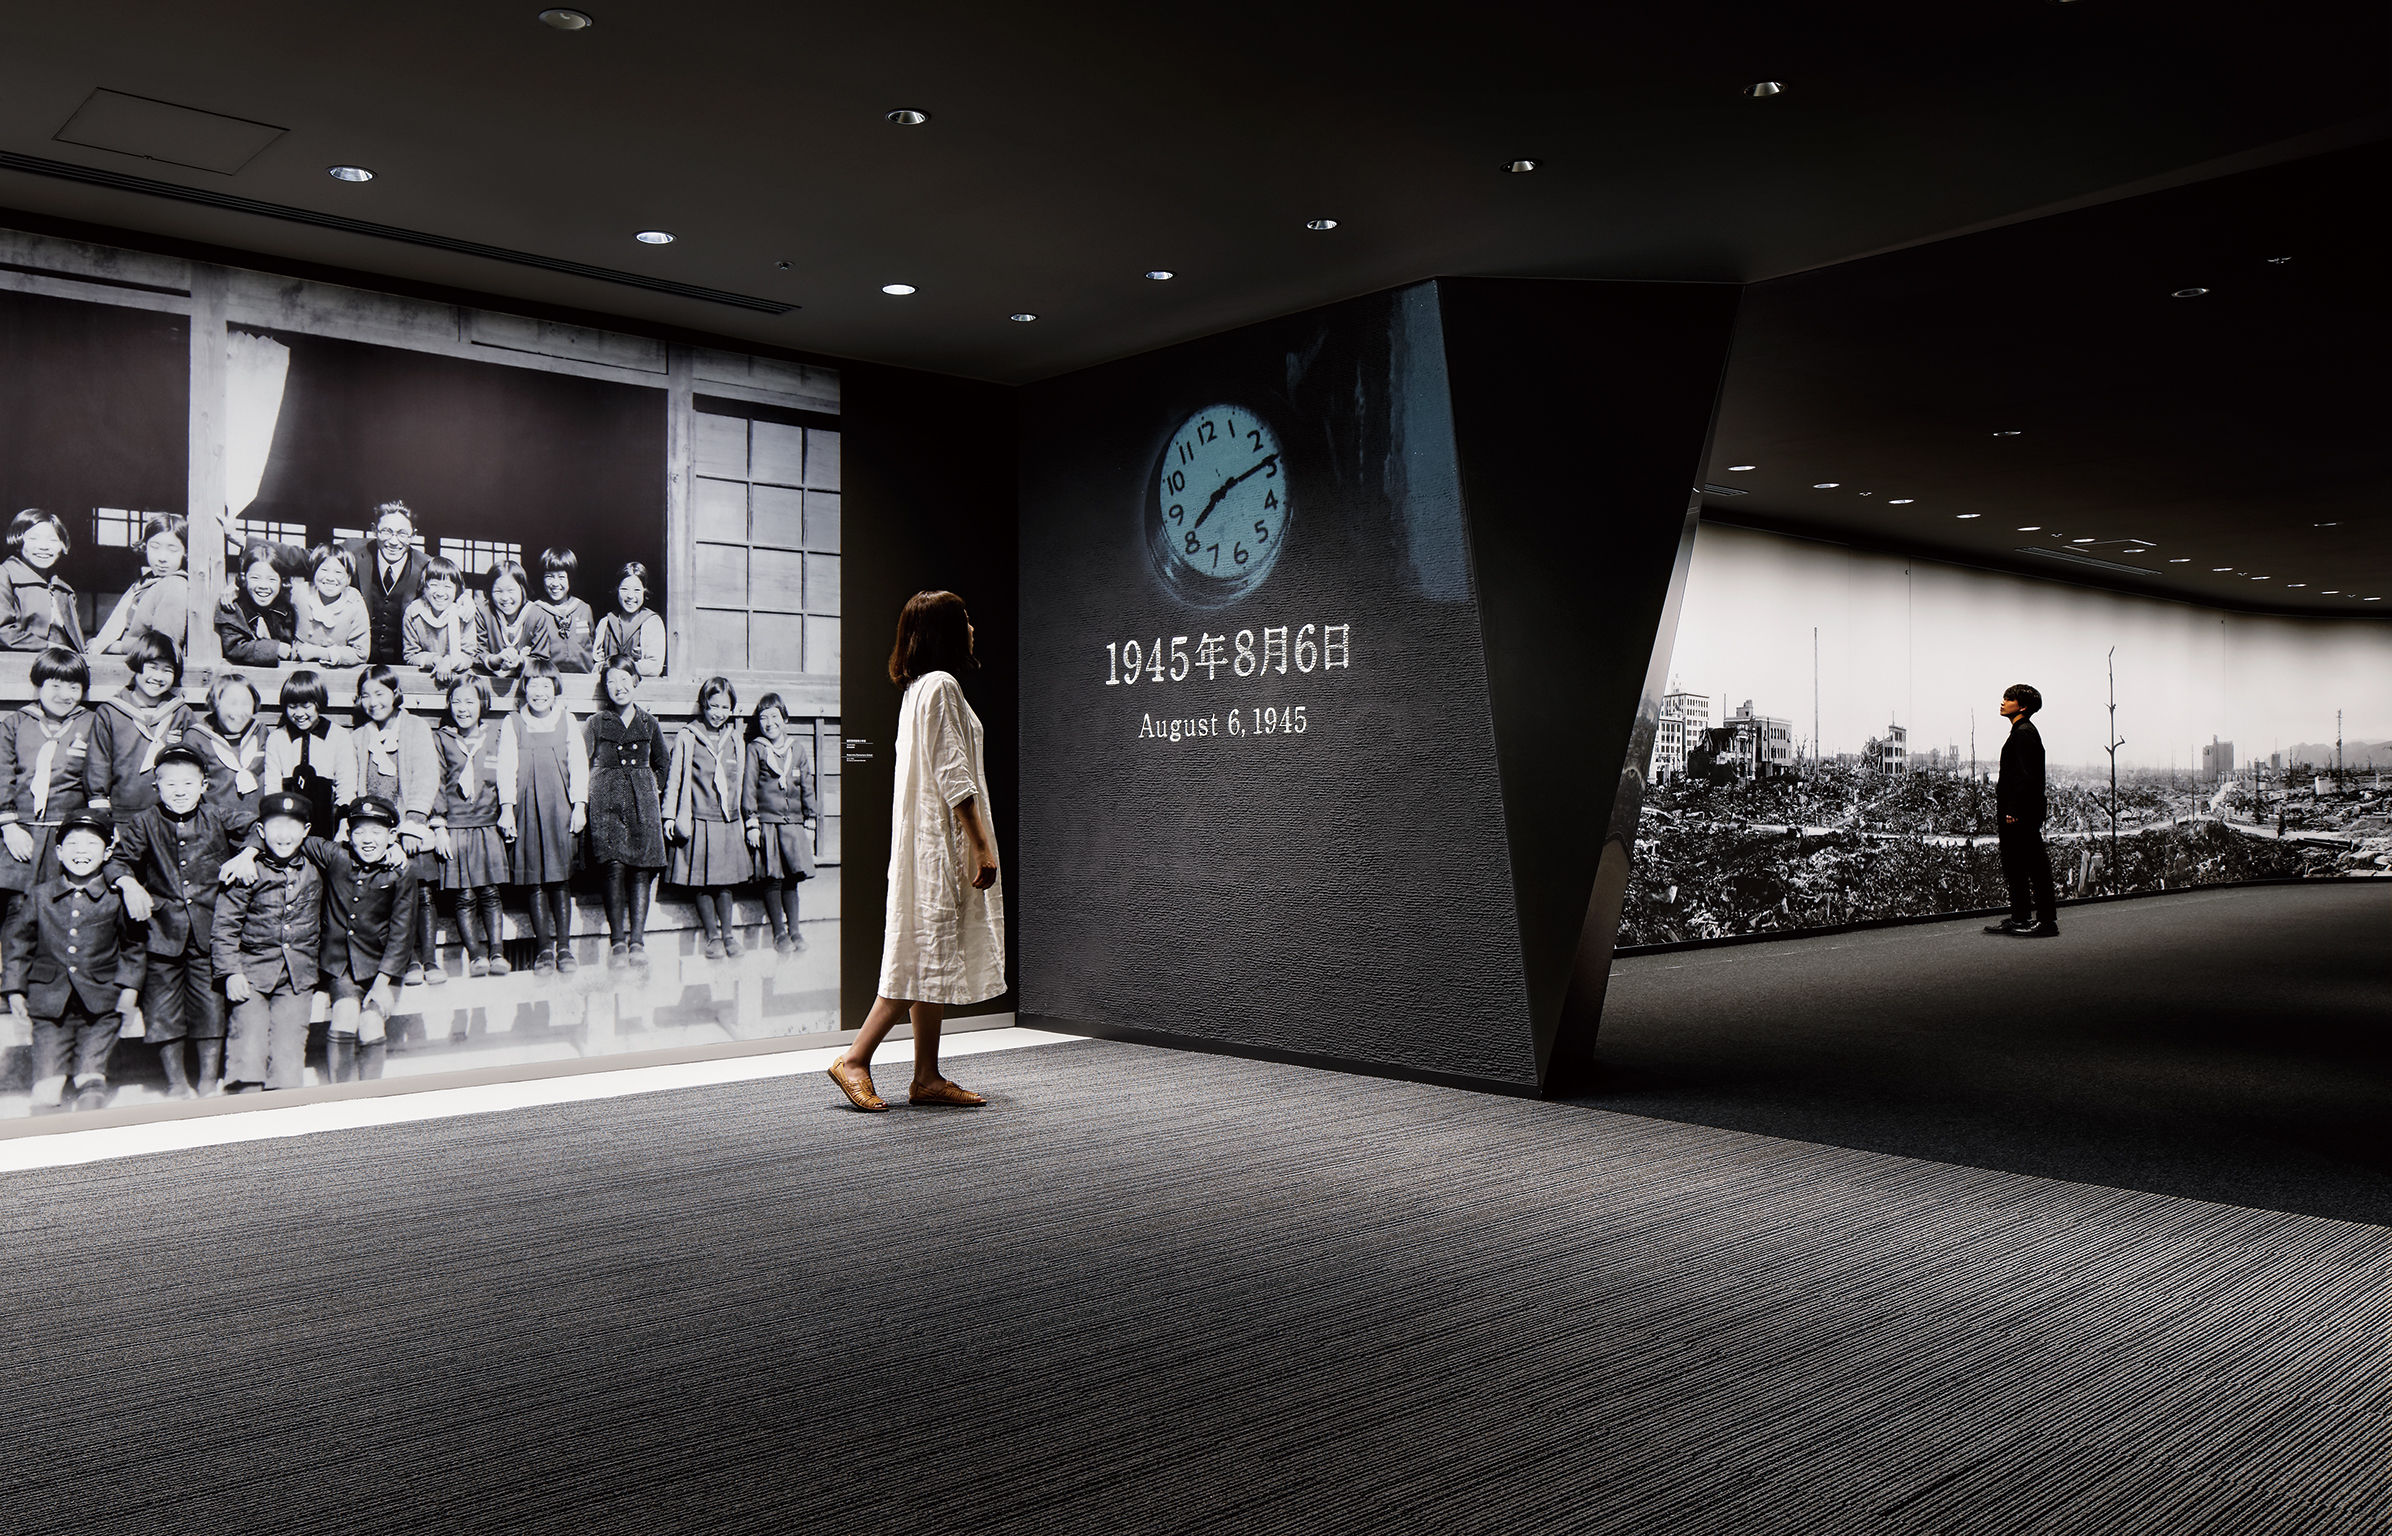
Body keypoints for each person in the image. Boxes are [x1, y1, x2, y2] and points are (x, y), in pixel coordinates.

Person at [827, 591, 1003, 1112]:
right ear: (944, 632)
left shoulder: (918, 689)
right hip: (941, 845)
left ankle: (926, 1074)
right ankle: (855, 1059)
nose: (972, 627)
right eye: (965, 619)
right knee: (919, 953)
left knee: (930, 953)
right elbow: (955, 775)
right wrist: (982, 847)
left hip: (924, 842)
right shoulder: (942, 686)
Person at [108, 745, 248, 1100]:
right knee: (162, 1006)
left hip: (208, 930)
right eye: (170, 785)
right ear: (157, 788)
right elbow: (117, 860)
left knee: (210, 1005)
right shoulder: (143, 822)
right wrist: (129, 884)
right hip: (162, 932)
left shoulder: (218, 816)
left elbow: (262, 829)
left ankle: (206, 1082)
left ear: (204, 785)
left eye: (189, 783)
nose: (180, 791)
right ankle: (176, 1083)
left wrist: (247, 854)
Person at [4, 808, 144, 1111]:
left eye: (92, 844)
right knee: (46, 1090)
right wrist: (14, 989)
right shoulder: (40, 896)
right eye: (73, 844)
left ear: (107, 853)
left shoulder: (114, 897)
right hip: (49, 1007)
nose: (81, 852)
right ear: (58, 851)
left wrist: (129, 989)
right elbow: (18, 944)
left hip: (102, 1005)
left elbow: (133, 946)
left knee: (90, 1080)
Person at [211, 792, 325, 1092]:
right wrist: (231, 971)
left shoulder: (317, 867)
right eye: (275, 826)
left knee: (288, 1053)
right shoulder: (247, 870)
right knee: (247, 1045)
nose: (284, 836)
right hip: (252, 975)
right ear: (261, 832)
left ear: (306, 831)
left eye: (292, 827)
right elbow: (225, 925)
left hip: (297, 978)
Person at [300, 795, 417, 1083]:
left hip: (383, 967)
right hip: (341, 967)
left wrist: (381, 983)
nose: (368, 840)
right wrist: (249, 852)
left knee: (372, 1022)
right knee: (344, 1014)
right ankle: (342, 1096)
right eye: (360, 831)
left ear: (391, 836)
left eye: (377, 832)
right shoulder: (336, 856)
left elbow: (402, 933)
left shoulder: (402, 871)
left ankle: (369, 1099)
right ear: (348, 835)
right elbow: (292, 837)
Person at [349, 664, 440, 985]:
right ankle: (408, 960)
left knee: (421, 890)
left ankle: (429, 958)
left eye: (380, 693)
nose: (373, 702)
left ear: (395, 693)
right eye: (365, 696)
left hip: (409, 825)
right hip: (377, 831)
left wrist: (414, 823)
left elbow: (428, 775)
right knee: (390, 897)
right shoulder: (360, 737)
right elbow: (354, 787)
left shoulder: (415, 728)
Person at [500, 657, 587, 974]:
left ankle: (564, 947)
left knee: (559, 877)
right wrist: (507, 808)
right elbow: (506, 768)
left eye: (545, 686)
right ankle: (544, 949)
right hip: (526, 807)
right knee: (535, 877)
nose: (539, 692)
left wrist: (579, 805)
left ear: (555, 689)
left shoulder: (567, 720)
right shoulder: (514, 723)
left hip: (559, 808)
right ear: (524, 689)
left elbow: (579, 765)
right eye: (533, 685)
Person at [584, 658, 668, 966]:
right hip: (607, 803)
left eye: (624, 680)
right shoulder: (597, 722)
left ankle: (638, 941)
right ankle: (618, 940)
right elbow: (582, 762)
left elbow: (662, 764)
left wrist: (648, 787)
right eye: (611, 682)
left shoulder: (649, 723)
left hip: (642, 804)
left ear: (635, 681)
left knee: (640, 869)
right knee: (613, 865)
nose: (618, 688)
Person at [0, 647, 100, 904]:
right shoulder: (15, 724)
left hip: (67, 834)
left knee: (62, 905)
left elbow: (99, 777)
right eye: (55, 686)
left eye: (74, 687)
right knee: (18, 909)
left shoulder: (92, 724)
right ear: (38, 686)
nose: (65, 695)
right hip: (21, 832)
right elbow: (2, 774)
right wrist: (9, 826)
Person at [664, 676, 752, 959]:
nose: (718, 713)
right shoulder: (688, 736)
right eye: (713, 706)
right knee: (701, 881)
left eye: (724, 707)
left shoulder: (736, 738)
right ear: (703, 705)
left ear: (732, 709)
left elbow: (742, 783)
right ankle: (712, 936)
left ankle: (728, 934)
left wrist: (744, 818)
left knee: (724, 881)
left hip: (725, 820)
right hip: (698, 819)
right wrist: (669, 816)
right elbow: (675, 779)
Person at [430, 677, 510, 979]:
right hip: (456, 827)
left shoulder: (495, 737)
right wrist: (439, 826)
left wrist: (507, 813)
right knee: (464, 895)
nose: (463, 708)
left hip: (487, 826)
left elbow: (505, 778)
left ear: (482, 705)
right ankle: (476, 954)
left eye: (470, 701)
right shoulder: (442, 739)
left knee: (490, 892)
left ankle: (497, 951)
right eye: (457, 701)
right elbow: (436, 783)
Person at [85, 628, 194, 819]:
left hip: (170, 816)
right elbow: (97, 764)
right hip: (122, 816)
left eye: (167, 670)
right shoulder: (111, 712)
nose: (158, 677)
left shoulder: (181, 713)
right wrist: (102, 814)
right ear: (137, 665)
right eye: (152, 667)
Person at [742, 691, 817, 954]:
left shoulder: (796, 749)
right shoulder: (756, 749)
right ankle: (779, 934)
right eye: (764, 718)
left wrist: (810, 820)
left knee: (791, 879)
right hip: (768, 824)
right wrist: (751, 821)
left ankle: (795, 930)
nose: (769, 723)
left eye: (774, 717)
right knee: (772, 878)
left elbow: (807, 786)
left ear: (784, 719)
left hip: (792, 824)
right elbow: (749, 787)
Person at [1987, 683, 2059, 939]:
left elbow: (2026, 778)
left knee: (2034, 866)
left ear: (2023, 706)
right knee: (2015, 865)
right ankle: (2020, 917)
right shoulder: (2020, 732)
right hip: (2015, 811)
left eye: (2009, 698)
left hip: (2020, 813)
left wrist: (2015, 810)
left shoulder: (2024, 733)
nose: (2003, 701)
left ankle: (2047, 922)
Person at [261, 670, 353, 841]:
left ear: (319, 703)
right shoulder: (277, 739)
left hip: (328, 826)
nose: (299, 713)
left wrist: (343, 827)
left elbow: (346, 788)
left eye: (306, 705)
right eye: (292, 706)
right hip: (288, 824)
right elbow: (272, 788)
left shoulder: (338, 736)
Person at [92, 514, 191, 656]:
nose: (162, 557)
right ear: (145, 546)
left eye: (172, 549)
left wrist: (115, 647)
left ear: (185, 552)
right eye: (155, 547)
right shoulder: (146, 581)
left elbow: (164, 645)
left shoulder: (175, 585)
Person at [349, 501, 429, 666]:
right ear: (373, 530)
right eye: (386, 531)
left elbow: (453, 594)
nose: (394, 541)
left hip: (404, 666)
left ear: (413, 535)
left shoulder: (426, 566)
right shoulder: (353, 553)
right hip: (357, 663)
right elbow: (311, 560)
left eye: (402, 534)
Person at [187, 675, 269, 828]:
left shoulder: (260, 731)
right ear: (215, 704)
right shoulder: (197, 736)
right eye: (232, 703)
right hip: (215, 827)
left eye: (246, 703)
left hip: (257, 826)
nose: (239, 711)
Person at [0, 508, 84, 653]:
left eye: (52, 540)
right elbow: (3, 632)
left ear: (63, 545)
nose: (44, 547)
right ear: (18, 541)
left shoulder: (64, 590)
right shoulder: (5, 575)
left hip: (63, 666)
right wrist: (50, 647)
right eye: (34, 539)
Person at [476, 558, 558, 700]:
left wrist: (520, 661)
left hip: (528, 692)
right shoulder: (483, 612)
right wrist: (496, 659)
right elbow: (477, 652)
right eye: (498, 591)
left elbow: (542, 658)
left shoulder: (536, 614)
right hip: (488, 692)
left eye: (511, 590)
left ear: (522, 588)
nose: (505, 597)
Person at [214, 542, 299, 667]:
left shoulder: (287, 608)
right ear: (244, 578)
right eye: (255, 578)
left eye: (272, 579)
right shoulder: (232, 607)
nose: (263, 586)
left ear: (281, 582)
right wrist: (276, 649)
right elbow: (233, 646)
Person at [289, 544, 371, 667]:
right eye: (324, 570)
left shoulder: (354, 602)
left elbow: (361, 653)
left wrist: (320, 652)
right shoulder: (300, 592)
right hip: (298, 666)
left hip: (337, 671)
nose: (330, 578)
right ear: (314, 571)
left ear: (348, 578)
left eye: (338, 572)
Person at [403, 556, 480, 684]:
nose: (440, 593)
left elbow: (469, 655)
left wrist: (450, 661)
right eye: (434, 585)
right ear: (424, 586)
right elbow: (410, 655)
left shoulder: (464, 613)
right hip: (423, 680)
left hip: (457, 679)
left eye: (447, 587)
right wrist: (436, 660)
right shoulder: (413, 612)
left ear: (456, 589)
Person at [593, 562, 665, 678]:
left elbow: (654, 667)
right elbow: (596, 664)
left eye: (636, 590)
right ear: (617, 590)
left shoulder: (652, 623)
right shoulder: (605, 622)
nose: (630, 596)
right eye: (624, 589)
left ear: (644, 591)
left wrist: (617, 669)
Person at [534, 548, 595, 672]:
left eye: (561, 577)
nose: (555, 583)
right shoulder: (536, 610)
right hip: (549, 680)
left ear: (570, 578)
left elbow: (592, 643)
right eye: (549, 577)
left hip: (584, 680)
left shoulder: (584, 609)